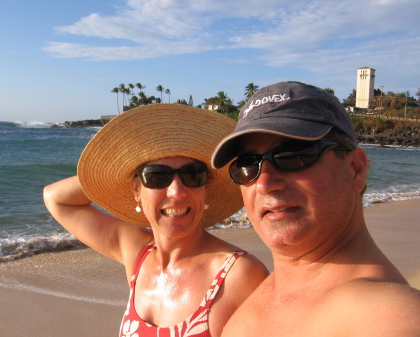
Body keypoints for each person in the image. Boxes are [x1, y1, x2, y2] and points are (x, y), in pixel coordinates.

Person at [211, 81, 420, 336]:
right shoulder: (256, 290)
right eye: (246, 165)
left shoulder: (388, 315)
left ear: (355, 169)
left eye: (293, 156)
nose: (264, 183)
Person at [43, 104, 268, 337]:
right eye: (157, 176)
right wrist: (114, 172)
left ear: (205, 189)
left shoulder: (238, 275)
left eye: (193, 175)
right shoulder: (138, 254)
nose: (177, 192)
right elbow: (56, 198)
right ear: (136, 190)